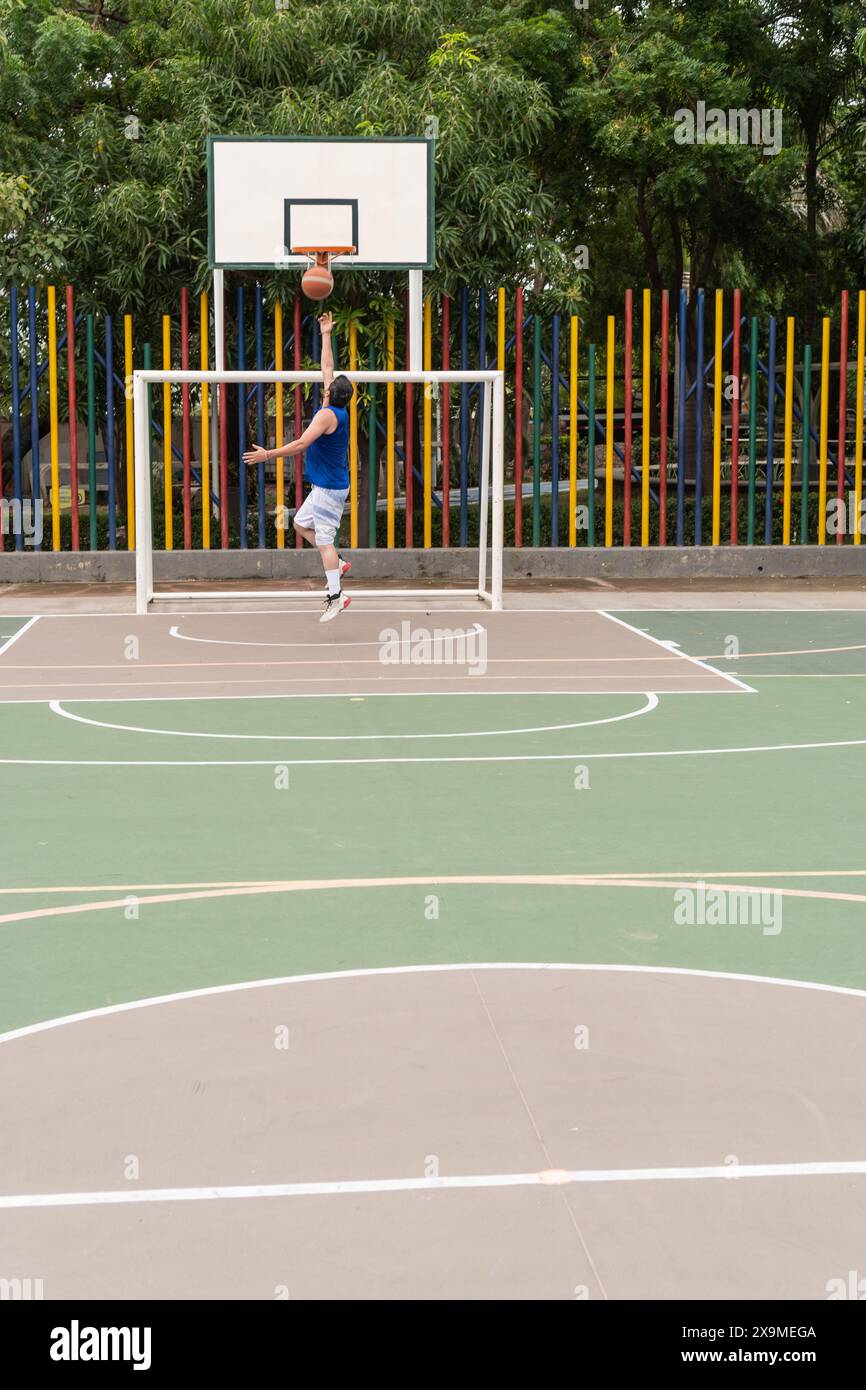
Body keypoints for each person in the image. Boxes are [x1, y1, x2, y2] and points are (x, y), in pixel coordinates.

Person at [243, 311, 353, 622]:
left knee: (324, 542)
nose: (326, 384)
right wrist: (326, 334)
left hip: (329, 489)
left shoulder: (327, 416)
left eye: (328, 386)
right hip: (325, 486)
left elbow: (301, 444)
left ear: (330, 394)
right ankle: (338, 563)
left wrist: (268, 455)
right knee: (300, 525)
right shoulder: (336, 407)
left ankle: (337, 596)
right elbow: (328, 367)